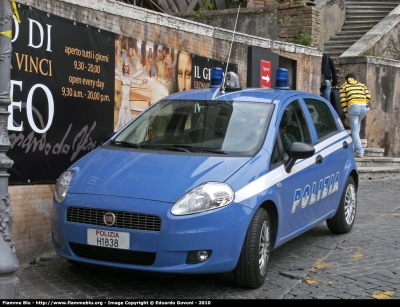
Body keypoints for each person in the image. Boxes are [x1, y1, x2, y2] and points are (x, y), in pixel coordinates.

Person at [339, 73, 370, 158]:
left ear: (346, 79)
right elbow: (368, 96)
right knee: (356, 127)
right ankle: (353, 148)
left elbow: (343, 102)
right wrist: (362, 102)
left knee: (355, 130)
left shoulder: (344, 87)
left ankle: (359, 151)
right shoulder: (362, 85)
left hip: (353, 107)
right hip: (363, 108)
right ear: (355, 79)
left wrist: (346, 114)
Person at [114, 60, 148, 132]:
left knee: (128, 119)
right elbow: (115, 72)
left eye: (127, 66)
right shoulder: (121, 76)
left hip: (127, 102)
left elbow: (136, 77)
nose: (126, 68)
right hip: (123, 102)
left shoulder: (130, 77)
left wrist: (142, 75)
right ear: (123, 67)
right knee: (121, 118)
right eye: (125, 66)